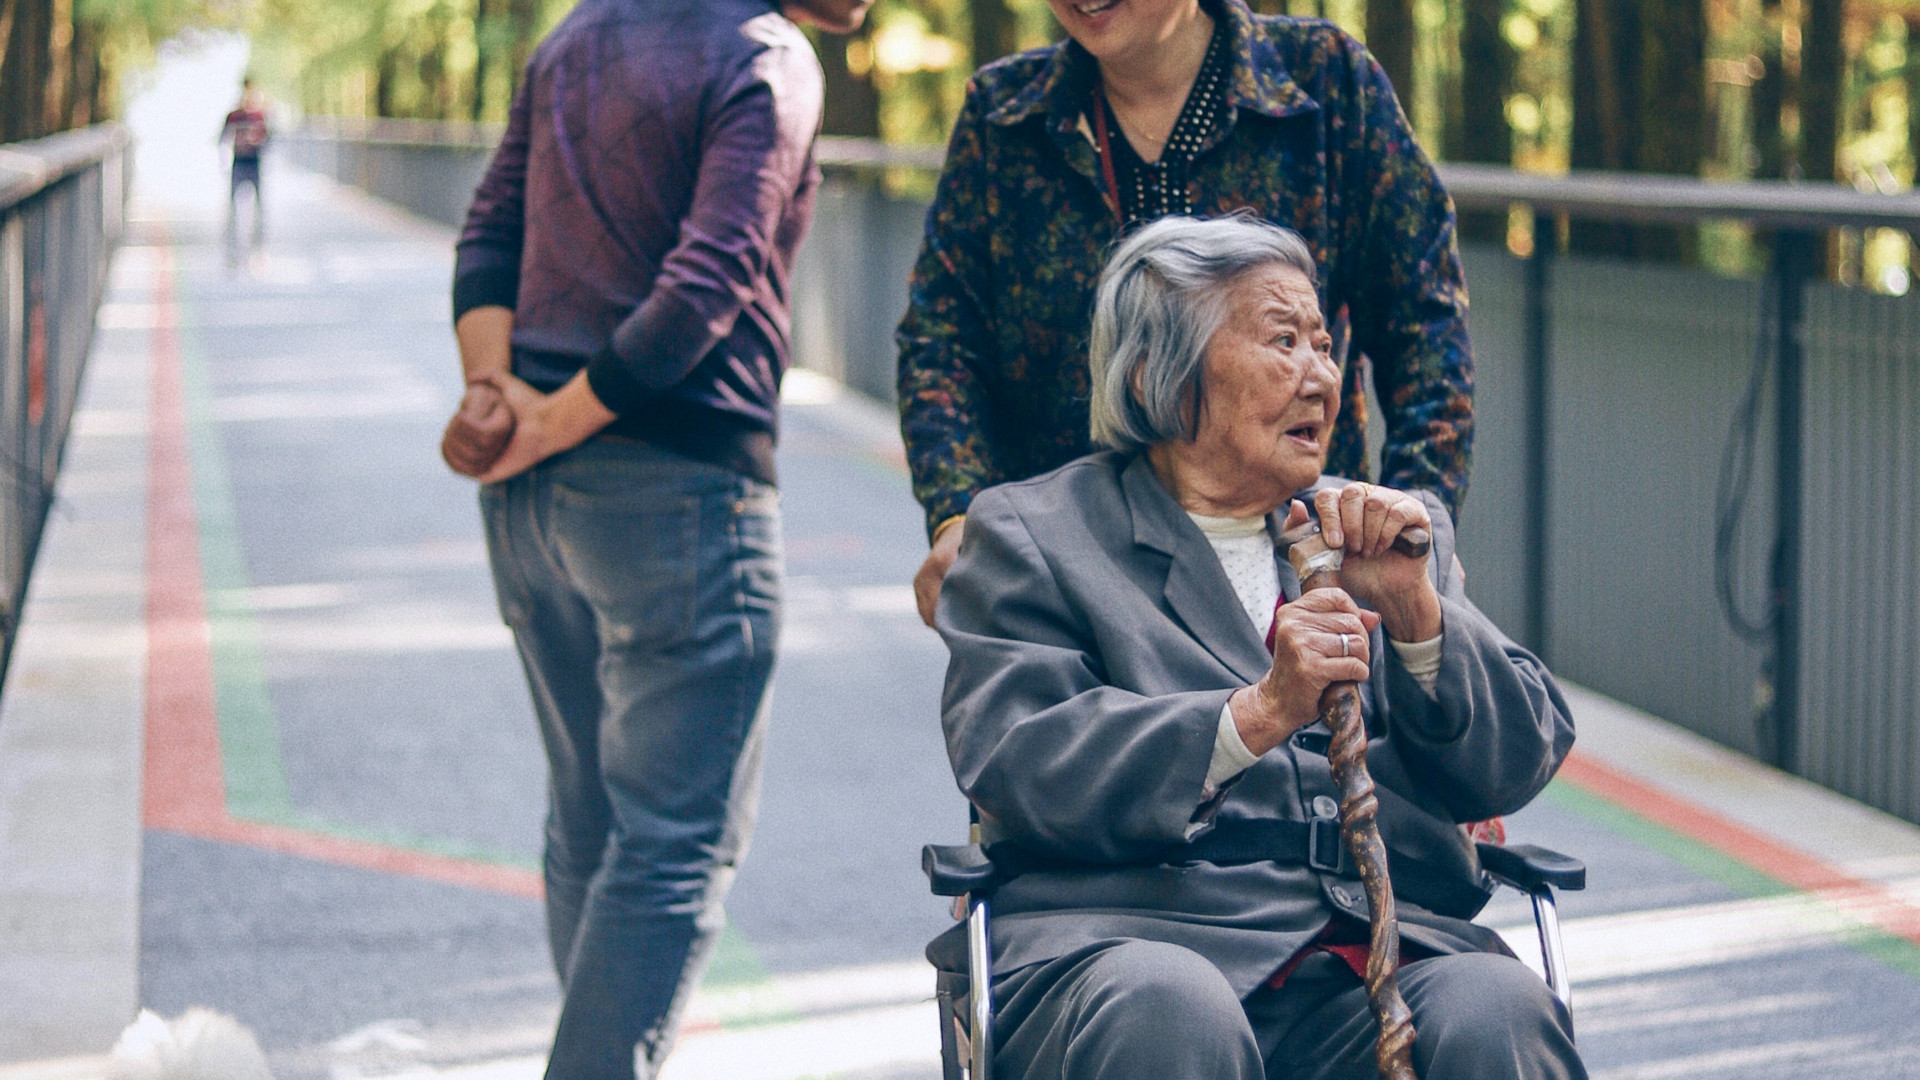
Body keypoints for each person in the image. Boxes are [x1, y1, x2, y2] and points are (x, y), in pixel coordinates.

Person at [931, 216, 1581, 1080]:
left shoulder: (1374, 531)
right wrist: (1258, 714)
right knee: (1171, 1010)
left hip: (1369, 961)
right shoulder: (1034, 534)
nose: (1323, 377)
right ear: (1160, 371)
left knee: (1495, 1009)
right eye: (1284, 342)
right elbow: (1020, 759)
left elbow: (1519, 759)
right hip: (1131, 949)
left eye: (1324, 345)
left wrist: (1421, 617)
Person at [446, 0, 871, 1076]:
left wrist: (498, 398)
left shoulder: (578, 36)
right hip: (675, 494)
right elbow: (705, 287)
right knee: (674, 849)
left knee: (587, 822)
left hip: (531, 503)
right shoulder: (767, 58)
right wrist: (539, 417)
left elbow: (488, 230)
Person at [899, 0, 1474, 626]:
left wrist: (1416, 525)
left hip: (1295, 566)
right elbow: (942, 342)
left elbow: (1425, 327)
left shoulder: (1326, 83)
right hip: (1069, 581)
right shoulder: (1005, 114)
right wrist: (959, 516)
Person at [218, 78, 270, 257]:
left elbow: (268, 139)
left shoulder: (259, 116)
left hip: (254, 163)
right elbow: (222, 138)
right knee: (233, 206)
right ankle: (231, 246)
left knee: (258, 206)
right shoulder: (234, 116)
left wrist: (257, 140)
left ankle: (257, 247)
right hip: (238, 163)